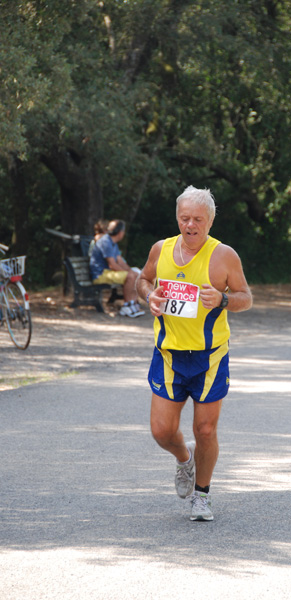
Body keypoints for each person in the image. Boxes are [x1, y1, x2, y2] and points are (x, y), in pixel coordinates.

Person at [136, 185, 252, 521]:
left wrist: (224, 299)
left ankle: (202, 496)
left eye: (197, 219)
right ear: (177, 218)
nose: (190, 225)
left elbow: (246, 297)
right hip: (169, 355)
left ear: (210, 222)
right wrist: (150, 296)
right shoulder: (161, 249)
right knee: (161, 431)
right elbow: (143, 280)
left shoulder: (224, 256)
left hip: (209, 357)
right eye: (184, 218)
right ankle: (184, 460)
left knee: (205, 429)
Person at [89, 219, 145, 318]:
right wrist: (130, 273)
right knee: (131, 276)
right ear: (120, 232)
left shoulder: (113, 242)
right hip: (100, 274)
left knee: (136, 274)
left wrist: (131, 271)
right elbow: (112, 265)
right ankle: (126, 306)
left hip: (107, 272)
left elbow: (120, 262)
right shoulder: (106, 242)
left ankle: (132, 303)